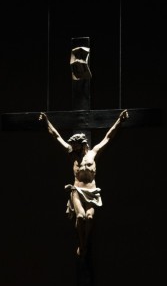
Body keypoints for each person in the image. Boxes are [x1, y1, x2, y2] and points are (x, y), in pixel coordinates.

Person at [39, 109, 128, 257]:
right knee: (80, 217)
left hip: (91, 192)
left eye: (75, 145)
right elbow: (56, 136)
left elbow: (109, 136)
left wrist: (120, 120)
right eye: (72, 146)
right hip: (77, 190)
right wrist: (46, 122)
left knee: (90, 217)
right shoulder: (72, 155)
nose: (73, 148)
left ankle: (85, 243)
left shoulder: (94, 153)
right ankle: (82, 245)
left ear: (82, 144)